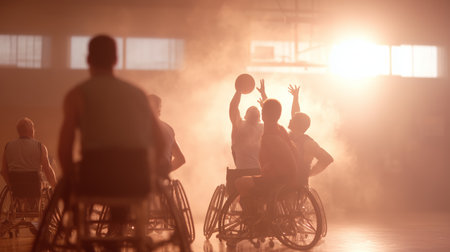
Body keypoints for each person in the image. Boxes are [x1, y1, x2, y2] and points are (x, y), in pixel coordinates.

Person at [57, 34, 163, 224]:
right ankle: (118, 227)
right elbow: (160, 141)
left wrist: (69, 178)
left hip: (94, 178)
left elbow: (65, 148)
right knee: (124, 179)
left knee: (70, 183)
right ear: (116, 60)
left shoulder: (76, 94)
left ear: (88, 59)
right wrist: (151, 173)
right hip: (135, 179)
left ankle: (78, 226)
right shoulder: (138, 94)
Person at [235, 99, 298, 217]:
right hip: (288, 176)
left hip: (277, 179)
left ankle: (254, 222)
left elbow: (276, 160)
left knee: (240, 182)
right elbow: (292, 151)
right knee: (253, 180)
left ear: (263, 115)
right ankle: (260, 214)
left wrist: (267, 168)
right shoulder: (280, 130)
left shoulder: (270, 136)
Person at [288, 85, 333, 180]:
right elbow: (295, 113)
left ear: (297, 124)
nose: (290, 120)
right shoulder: (291, 136)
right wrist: (295, 98)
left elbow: (327, 159)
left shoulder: (308, 143)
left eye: (293, 119)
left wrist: (308, 174)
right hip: (285, 183)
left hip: (297, 188)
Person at [1, 117, 57, 188]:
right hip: (34, 188)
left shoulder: (8, 146)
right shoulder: (40, 146)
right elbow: (47, 170)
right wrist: (55, 187)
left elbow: (3, 171)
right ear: (31, 130)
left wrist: (10, 186)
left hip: (16, 188)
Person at [229, 80, 266, 170]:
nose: (254, 108)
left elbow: (271, 113)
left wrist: (263, 95)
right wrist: (239, 91)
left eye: (256, 109)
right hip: (243, 171)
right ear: (245, 115)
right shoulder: (239, 124)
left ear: (259, 116)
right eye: (250, 109)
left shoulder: (263, 127)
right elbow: (233, 107)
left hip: (260, 172)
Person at [148, 94, 185, 177]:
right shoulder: (168, 129)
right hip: (162, 184)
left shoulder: (141, 127)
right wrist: (162, 173)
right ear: (159, 110)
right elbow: (180, 159)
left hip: (143, 183)